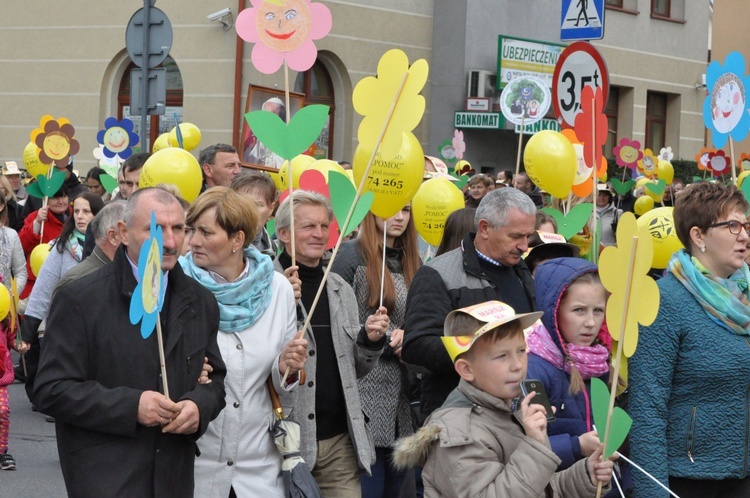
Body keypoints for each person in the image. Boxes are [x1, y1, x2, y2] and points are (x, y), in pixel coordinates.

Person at [32, 188, 227, 497]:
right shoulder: (81, 298)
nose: (171, 241)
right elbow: (51, 389)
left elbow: (214, 378)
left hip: (173, 477)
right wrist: (131, 406)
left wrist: (198, 407)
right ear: (123, 232)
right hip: (107, 476)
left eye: (179, 228)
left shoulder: (199, 301)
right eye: (155, 229)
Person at [392, 300, 614, 497]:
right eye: (501, 356)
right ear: (467, 370)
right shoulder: (457, 433)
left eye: (521, 350)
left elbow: (540, 487)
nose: (518, 365)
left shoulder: (512, 409)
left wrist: (586, 475)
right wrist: (535, 446)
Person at [182, 187, 307, 497]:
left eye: (205, 232)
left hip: (258, 469)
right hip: (194, 465)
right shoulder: (175, 286)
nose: (194, 241)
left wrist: (286, 366)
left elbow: (284, 383)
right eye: (191, 230)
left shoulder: (277, 288)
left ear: (237, 240)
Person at [630, 182, 750, 498]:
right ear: (698, 236)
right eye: (733, 226)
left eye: (746, 225)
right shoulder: (666, 301)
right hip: (690, 479)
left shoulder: (746, 295)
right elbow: (647, 409)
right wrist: (652, 491)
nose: (745, 237)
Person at [274, 190, 389, 497]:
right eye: (308, 226)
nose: (319, 234)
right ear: (283, 233)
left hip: (340, 441)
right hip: (284, 441)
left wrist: (370, 340)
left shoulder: (339, 287)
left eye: (324, 226)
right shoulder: (267, 285)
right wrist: (279, 297)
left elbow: (354, 369)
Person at [403, 188, 537, 417]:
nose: (524, 247)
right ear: (484, 228)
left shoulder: (521, 271)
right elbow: (416, 346)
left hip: (518, 413)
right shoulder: (437, 274)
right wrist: (481, 353)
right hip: (462, 416)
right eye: (515, 236)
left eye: (528, 236)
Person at [332, 206, 421, 498]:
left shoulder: (414, 261)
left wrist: (410, 336)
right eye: (391, 208)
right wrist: (370, 335)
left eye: (406, 210)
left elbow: (421, 318)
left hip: (402, 397)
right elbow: (334, 319)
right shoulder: (348, 256)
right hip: (361, 390)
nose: (399, 217)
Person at [18, 193, 104, 403]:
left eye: (87, 212)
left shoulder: (110, 247)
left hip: (100, 323)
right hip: (65, 324)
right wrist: (28, 331)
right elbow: (43, 289)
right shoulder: (62, 246)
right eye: (76, 212)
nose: (80, 217)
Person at [55, 200, 126, 292]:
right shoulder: (75, 283)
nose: (79, 216)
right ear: (113, 236)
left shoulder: (135, 272)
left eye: (85, 211)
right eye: (76, 211)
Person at [18, 185, 71, 300]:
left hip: (67, 281)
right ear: (46, 199)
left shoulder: (76, 216)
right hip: (38, 282)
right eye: (55, 198)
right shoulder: (35, 217)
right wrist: (37, 222)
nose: (61, 201)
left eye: (64, 196)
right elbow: (23, 246)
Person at [231, 171, 278, 257]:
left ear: (271, 209)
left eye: (257, 204)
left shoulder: (271, 247)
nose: (250, 210)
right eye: (243, 203)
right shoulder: (220, 242)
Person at [244, 98, 286, 168]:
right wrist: (253, 145)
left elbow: (283, 167)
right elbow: (247, 163)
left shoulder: (284, 142)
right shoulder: (255, 138)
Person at [0, 190, 27, 295]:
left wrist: (12, 292)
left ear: (1, 206)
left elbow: (21, 272)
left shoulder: (11, 235)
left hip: (4, 305)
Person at [0, 318, 18, 470]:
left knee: (3, 410)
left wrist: (20, 345)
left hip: (1, 375)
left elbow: (12, 338)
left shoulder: (5, 317)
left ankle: (2, 451)